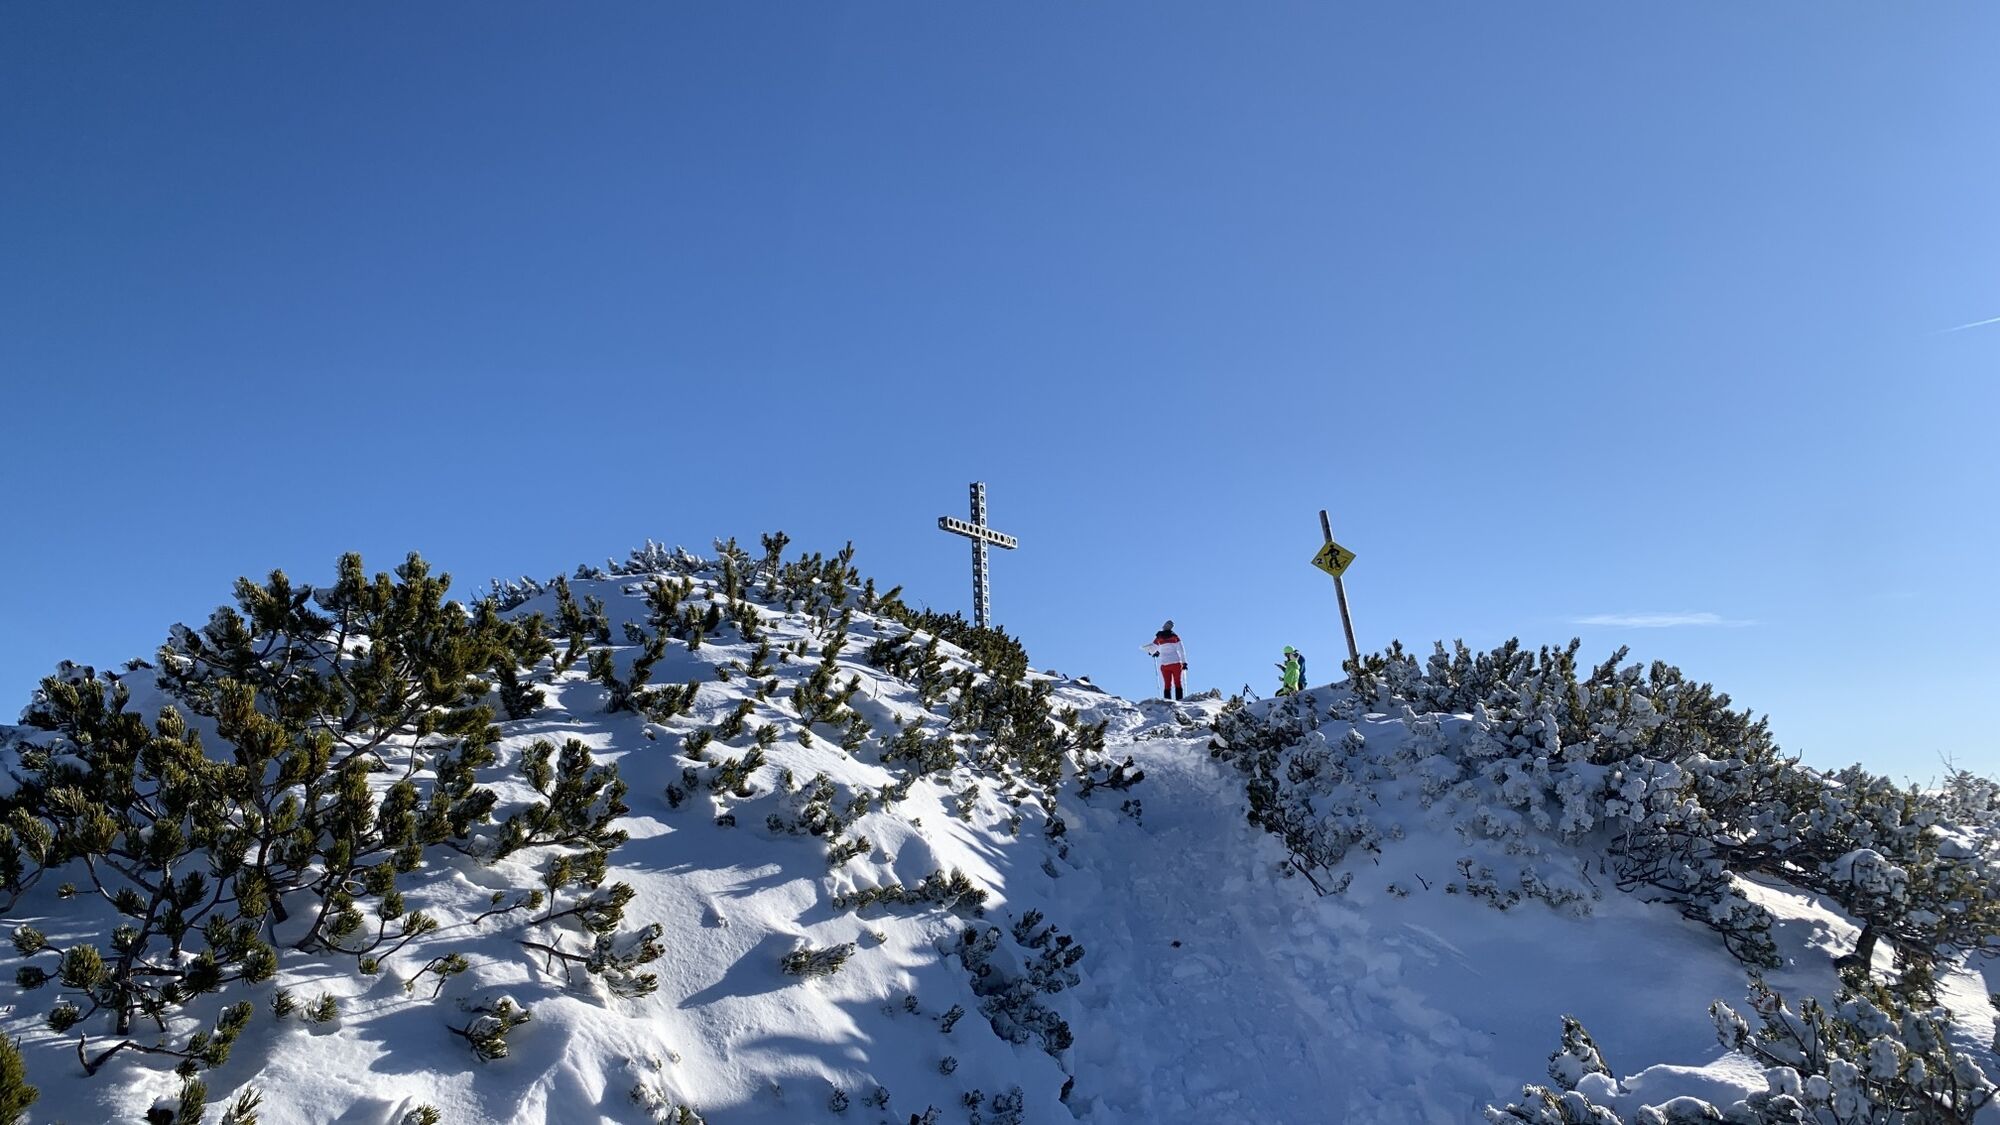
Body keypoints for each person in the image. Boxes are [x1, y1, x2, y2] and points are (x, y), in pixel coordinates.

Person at [1143, 620, 1187, 701]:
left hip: (1164, 664)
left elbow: (1153, 648)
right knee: (1178, 682)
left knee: (1167, 684)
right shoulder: (1175, 637)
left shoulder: (1159, 637)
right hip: (1176, 663)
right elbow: (1181, 650)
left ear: (1164, 626)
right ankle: (1180, 700)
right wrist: (1184, 663)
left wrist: (1153, 652)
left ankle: (1167, 701)